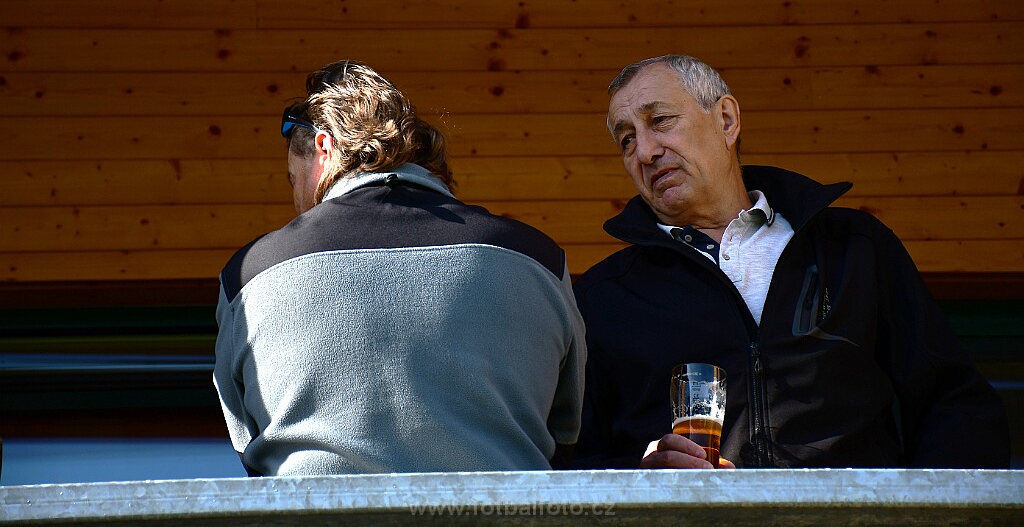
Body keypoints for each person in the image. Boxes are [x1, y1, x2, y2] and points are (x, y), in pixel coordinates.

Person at [572, 54, 1009, 469]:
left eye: (660, 121)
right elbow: (569, 459)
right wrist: (637, 476)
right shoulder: (603, 297)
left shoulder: (853, 248)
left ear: (726, 120)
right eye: (627, 140)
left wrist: (931, 509)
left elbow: (953, 403)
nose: (645, 152)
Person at [213, 60, 586, 476]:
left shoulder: (249, 275)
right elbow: (567, 433)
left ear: (324, 148)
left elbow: (248, 442)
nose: (298, 202)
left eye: (292, 180)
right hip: (501, 509)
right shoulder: (539, 258)